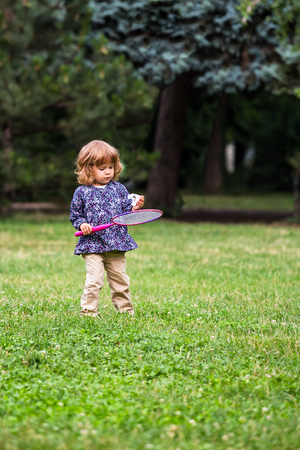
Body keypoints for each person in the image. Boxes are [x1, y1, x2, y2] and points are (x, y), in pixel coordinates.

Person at [70, 140, 144, 317]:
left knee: (120, 281)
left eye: (111, 167)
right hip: (93, 245)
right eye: (102, 168)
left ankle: (126, 312)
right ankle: (88, 312)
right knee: (94, 281)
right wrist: (83, 224)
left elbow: (125, 214)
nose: (108, 172)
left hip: (116, 243)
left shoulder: (119, 189)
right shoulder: (82, 192)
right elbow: (75, 215)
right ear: (89, 168)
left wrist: (134, 208)